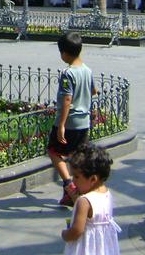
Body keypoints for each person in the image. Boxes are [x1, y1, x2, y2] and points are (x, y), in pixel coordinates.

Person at [48, 32, 97, 206]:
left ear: (64, 53)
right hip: (84, 122)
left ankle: (69, 185)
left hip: (69, 122)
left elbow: (66, 99)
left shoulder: (67, 73)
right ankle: (70, 195)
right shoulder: (87, 70)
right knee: (77, 157)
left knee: (54, 151)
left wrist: (61, 124)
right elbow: (94, 91)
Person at [61, 144, 121, 255]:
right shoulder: (106, 194)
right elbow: (92, 214)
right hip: (104, 248)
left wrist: (65, 234)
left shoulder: (83, 201)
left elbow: (76, 231)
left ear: (93, 179)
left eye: (77, 177)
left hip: (87, 249)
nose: (73, 181)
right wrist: (75, 198)